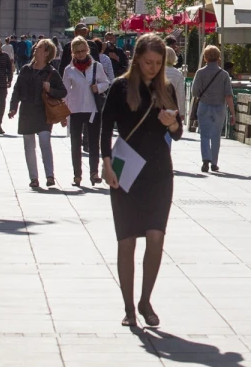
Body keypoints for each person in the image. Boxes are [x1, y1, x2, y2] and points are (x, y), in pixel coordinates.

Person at [99, 33, 183, 328]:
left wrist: (172, 122)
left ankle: (146, 300)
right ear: (136, 59)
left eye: (158, 63)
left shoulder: (166, 89)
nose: (153, 68)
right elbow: (105, 126)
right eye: (148, 62)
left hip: (159, 170)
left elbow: (178, 132)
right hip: (125, 167)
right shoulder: (120, 87)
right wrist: (106, 164)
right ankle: (128, 307)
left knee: (156, 235)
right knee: (126, 240)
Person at [8, 39, 67, 189]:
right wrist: (13, 107)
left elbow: (63, 91)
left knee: (44, 142)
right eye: (36, 47)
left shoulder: (51, 72)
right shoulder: (26, 69)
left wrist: (50, 90)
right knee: (29, 145)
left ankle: (50, 176)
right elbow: (17, 90)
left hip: (43, 112)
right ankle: (34, 178)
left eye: (39, 48)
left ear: (47, 52)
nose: (35, 49)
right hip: (27, 111)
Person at [63, 36, 111, 187]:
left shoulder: (96, 66)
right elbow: (64, 92)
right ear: (73, 53)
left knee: (93, 143)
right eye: (77, 52)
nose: (80, 54)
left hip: (93, 109)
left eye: (83, 50)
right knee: (75, 143)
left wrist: (99, 87)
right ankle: (77, 175)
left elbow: (106, 82)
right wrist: (63, 113)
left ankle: (94, 173)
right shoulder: (69, 70)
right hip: (75, 109)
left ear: (87, 50)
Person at [189, 45, 236, 173]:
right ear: (218, 58)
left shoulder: (200, 73)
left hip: (204, 106)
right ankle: (214, 163)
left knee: (204, 135)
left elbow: (194, 92)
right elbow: (228, 95)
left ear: (205, 58)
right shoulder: (224, 74)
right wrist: (232, 113)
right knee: (216, 136)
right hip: (219, 107)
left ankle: (205, 159)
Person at [165, 46, 186, 116]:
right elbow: (181, 95)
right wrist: (182, 112)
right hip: (172, 108)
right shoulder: (178, 74)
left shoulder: (156, 71)